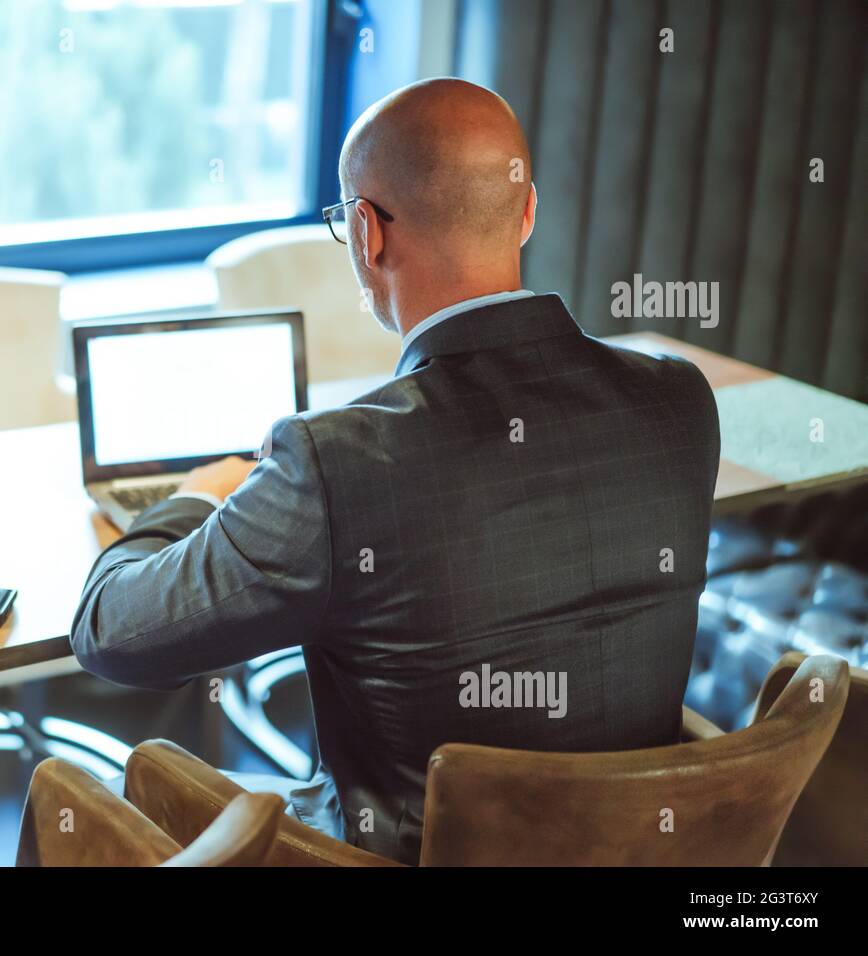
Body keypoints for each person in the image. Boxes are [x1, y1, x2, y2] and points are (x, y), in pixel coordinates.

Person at [69, 78, 721, 865]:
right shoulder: (678, 401)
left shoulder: (332, 461)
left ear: (368, 233)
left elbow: (111, 632)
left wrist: (185, 501)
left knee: (68, 786)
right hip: (635, 849)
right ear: (527, 212)